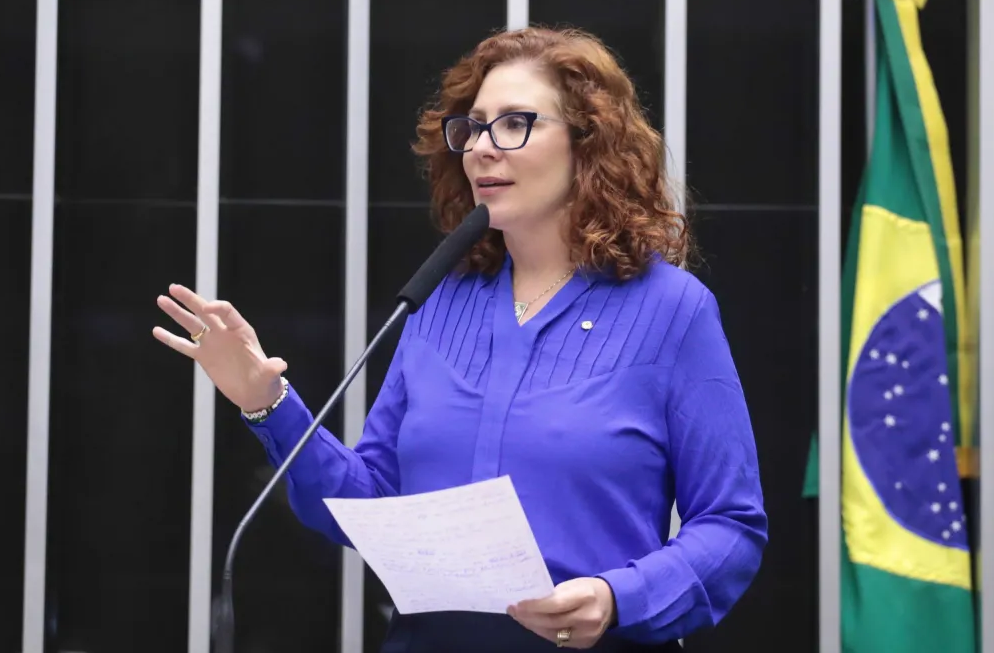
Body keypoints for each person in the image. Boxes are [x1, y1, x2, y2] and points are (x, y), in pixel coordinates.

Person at [153, 26, 767, 653]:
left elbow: (731, 526)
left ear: (589, 143)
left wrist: (619, 598)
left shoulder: (673, 310)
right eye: (473, 128)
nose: (481, 148)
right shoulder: (440, 300)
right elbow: (370, 503)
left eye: (515, 124)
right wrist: (268, 403)